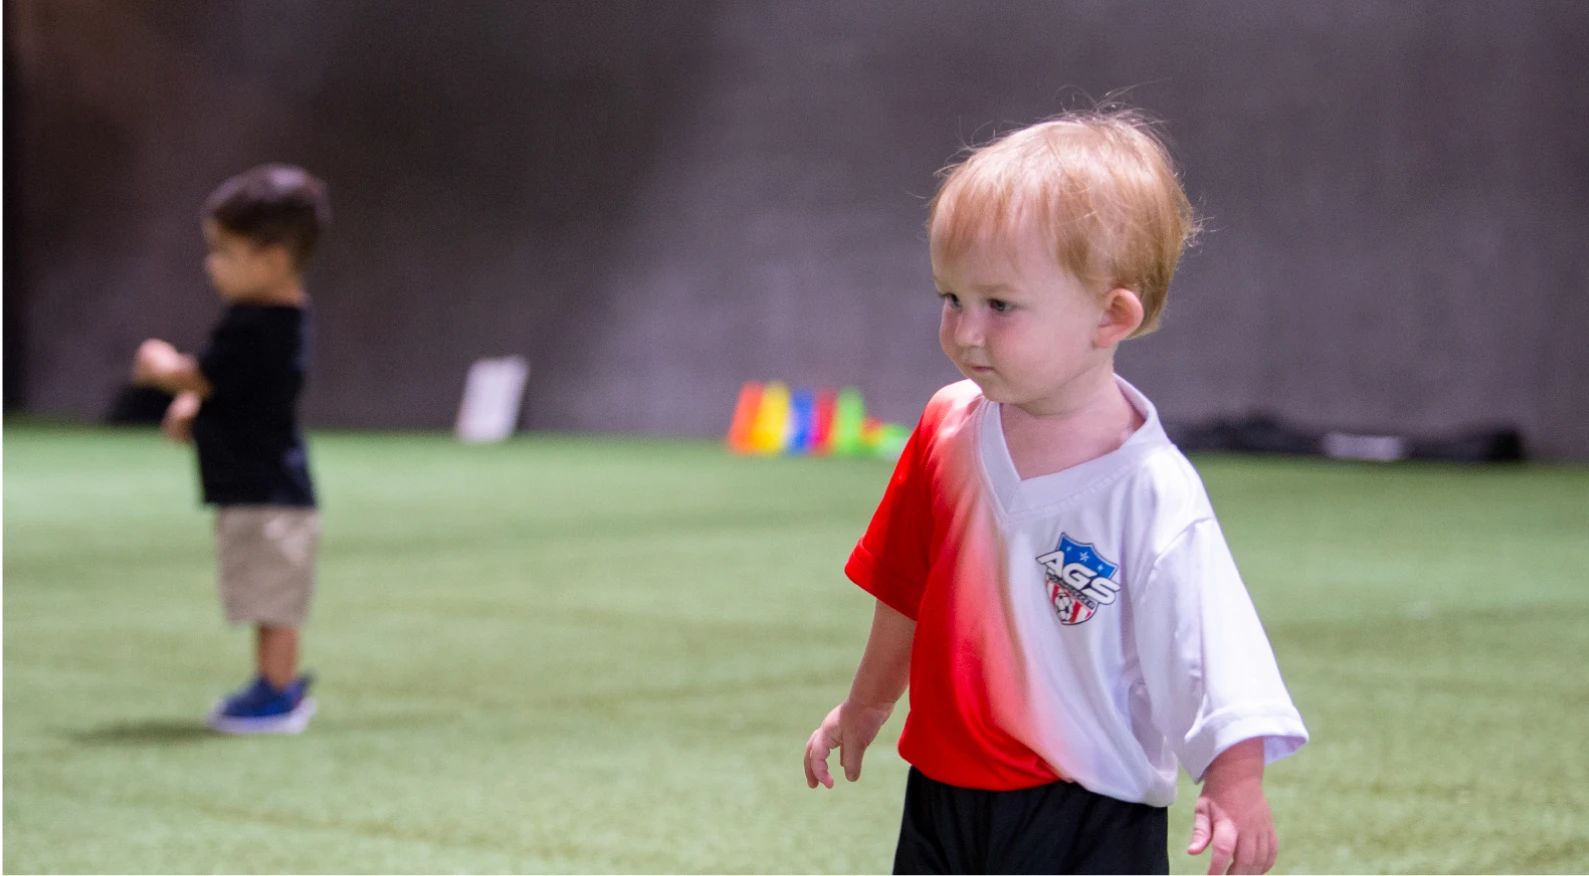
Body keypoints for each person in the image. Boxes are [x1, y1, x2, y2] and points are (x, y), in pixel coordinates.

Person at [802, 110, 1308, 875]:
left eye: (999, 305)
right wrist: (868, 703)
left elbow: (1207, 644)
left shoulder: (1150, 491)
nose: (965, 331)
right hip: (942, 795)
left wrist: (1234, 782)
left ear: (1111, 315)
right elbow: (903, 590)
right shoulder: (947, 428)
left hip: (1088, 812)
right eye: (950, 297)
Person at [132, 163, 328, 735]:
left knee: (273, 600)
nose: (210, 265)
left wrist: (163, 369)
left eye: (223, 251)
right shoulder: (257, 322)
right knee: (258, 593)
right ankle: (270, 685)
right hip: (251, 485)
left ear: (269, 259)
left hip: (271, 492)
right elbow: (237, 387)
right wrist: (196, 408)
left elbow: (209, 376)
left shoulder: (268, 323)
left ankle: (278, 693)